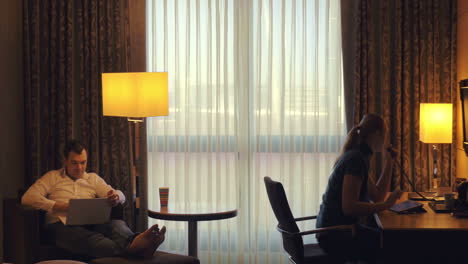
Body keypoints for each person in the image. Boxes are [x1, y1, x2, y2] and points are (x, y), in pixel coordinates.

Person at [22, 139, 166, 259]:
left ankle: (136, 242)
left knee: (117, 224)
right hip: (60, 226)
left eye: (83, 162)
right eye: (74, 163)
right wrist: (58, 206)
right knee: (95, 242)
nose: (79, 167)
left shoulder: (92, 178)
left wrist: (115, 197)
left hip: (91, 223)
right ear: (65, 160)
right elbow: (28, 198)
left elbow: (119, 194)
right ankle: (140, 247)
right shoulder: (52, 177)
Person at [316, 113, 402, 262]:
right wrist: (385, 206)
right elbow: (349, 207)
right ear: (377, 134)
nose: (385, 140)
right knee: (392, 245)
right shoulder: (356, 159)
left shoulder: (358, 156)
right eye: (385, 135)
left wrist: (389, 163)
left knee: (387, 240)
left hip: (336, 231)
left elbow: (376, 196)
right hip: (336, 235)